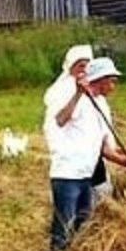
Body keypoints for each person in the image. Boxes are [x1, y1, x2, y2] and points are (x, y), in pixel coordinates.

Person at [44, 57, 126, 251]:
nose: (114, 85)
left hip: (86, 176)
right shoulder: (78, 99)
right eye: (111, 80)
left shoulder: (102, 105)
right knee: (64, 225)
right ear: (100, 79)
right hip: (68, 174)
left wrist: (125, 162)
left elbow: (103, 147)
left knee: (82, 223)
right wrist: (78, 94)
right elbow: (60, 120)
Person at [43, 45, 112, 199]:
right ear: (71, 68)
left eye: (88, 66)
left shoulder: (95, 95)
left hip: (92, 156)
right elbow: (59, 122)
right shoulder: (61, 92)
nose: (84, 70)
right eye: (81, 65)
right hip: (71, 162)